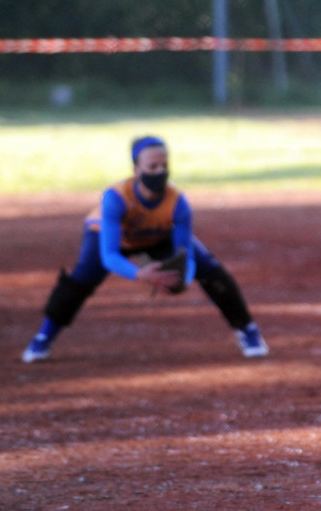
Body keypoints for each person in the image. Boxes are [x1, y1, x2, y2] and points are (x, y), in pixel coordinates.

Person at [21, 135, 269, 362]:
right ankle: (44, 337)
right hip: (109, 237)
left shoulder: (178, 202)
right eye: (152, 167)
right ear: (136, 169)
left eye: (164, 166)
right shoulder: (116, 198)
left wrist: (184, 278)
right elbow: (109, 256)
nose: (160, 171)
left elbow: (186, 254)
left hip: (156, 236)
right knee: (80, 281)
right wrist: (140, 274)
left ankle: (247, 329)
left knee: (213, 272)